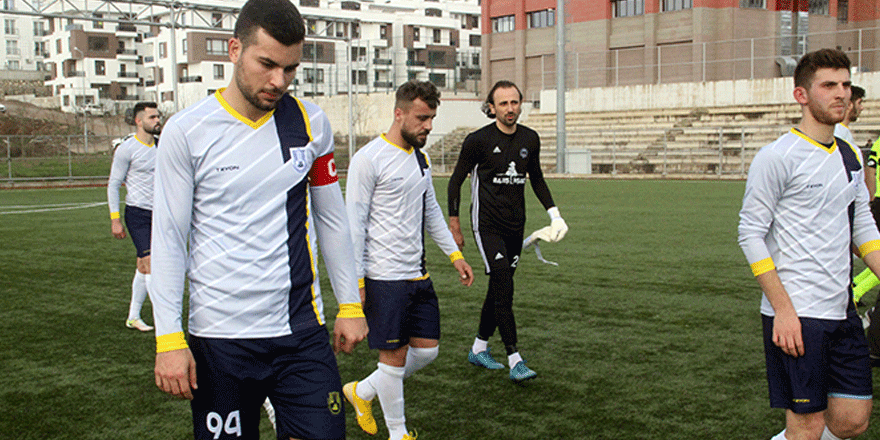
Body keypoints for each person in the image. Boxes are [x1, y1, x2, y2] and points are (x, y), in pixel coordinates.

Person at [149, 0, 368, 438]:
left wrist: (350, 303)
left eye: (290, 69)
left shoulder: (311, 123)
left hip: (300, 331)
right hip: (220, 338)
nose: (278, 81)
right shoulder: (187, 131)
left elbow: (332, 219)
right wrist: (169, 338)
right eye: (267, 64)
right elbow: (170, 237)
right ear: (234, 50)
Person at [738, 48, 880, 440]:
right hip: (798, 312)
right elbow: (750, 233)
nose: (841, 93)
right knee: (807, 425)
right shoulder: (777, 157)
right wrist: (782, 310)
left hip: (842, 310)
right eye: (829, 85)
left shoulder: (850, 155)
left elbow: (862, 226)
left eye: (845, 85)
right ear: (801, 95)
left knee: (852, 420)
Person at [342, 80, 475, 440]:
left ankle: (361, 391)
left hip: (418, 275)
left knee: (427, 352)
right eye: (421, 118)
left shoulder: (421, 159)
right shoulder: (368, 159)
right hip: (384, 278)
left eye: (431, 118)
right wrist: (356, 284)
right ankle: (398, 434)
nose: (428, 126)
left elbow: (431, 211)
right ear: (398, 113)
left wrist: (455, 255)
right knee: (394, 359)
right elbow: (354, 226)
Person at [447, 80, 568, 383]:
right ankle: (515, 359)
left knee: (499, 286)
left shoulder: (530, 138)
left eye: (514, 102)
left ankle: (479, 348)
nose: (510, 108)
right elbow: (455, 181)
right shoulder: (477, 141)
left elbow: (536, 178)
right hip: (486, 225)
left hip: (516, 225)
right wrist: (454, 225)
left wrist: (555, 216)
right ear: (491, 107)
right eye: (503, 103)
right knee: (504, 284)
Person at [107, 101, 161, 332]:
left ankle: (133, 317)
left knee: (142, 265)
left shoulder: (163, 145)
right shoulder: (127, 149)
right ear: (139, 121)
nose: (157, 121)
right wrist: (115, 219)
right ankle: (164, 320)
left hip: (161, 214)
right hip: (137, 214)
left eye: (158, 116)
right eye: (152, 117)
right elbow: (113, 184)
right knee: (151, 264)